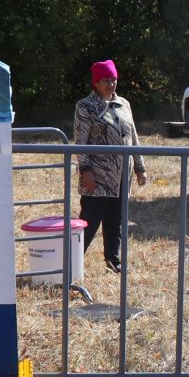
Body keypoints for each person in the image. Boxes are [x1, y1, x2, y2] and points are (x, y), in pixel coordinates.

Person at [74, 59, 148, 273]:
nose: (111, 84)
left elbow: (133, 136)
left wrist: (139, 167)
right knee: (90, 220)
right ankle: (72, 261)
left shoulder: (124, 104)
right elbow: (80, 141)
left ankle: (113, 260)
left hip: (121, 176)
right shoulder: (85, 106)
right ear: (96, 83)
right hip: (97, 174)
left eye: (113, 79)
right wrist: (85, 170)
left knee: (116, 219)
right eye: (106, 80)